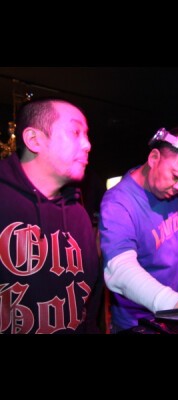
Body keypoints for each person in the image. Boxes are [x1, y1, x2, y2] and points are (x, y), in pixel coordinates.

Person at [99, 126, 178, 333]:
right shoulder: (118, 203)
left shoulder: (171, 190)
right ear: (154, 158)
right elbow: (120, 270)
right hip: (137, 324)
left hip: (170, 314)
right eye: (176, 175)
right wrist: (177, 304)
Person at [0, 98, 103, 334]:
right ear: (34, 140)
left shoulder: (78, 215)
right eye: (75, 132)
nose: (87, 144)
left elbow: (88, 305)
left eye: (86, 135)